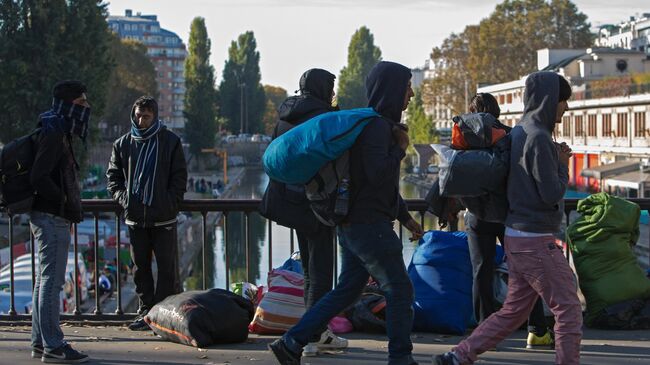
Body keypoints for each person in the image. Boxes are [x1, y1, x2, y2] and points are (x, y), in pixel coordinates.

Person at [269, 61, 424, 365]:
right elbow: (377, 176)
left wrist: (404, 216)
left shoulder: (376, 125)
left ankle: (292, 341)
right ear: (392, 89)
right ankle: (401, 359)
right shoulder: (378, 129)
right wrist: (400, 149)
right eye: (407, 87)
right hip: (370, 226)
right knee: (401, 291)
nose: (412, 95)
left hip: (354, 224)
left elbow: (381, 186)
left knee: (347, 290)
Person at [434, 72, 582, 365]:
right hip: (535, 240)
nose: (566, 107)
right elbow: (550, 193)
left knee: (513, 310)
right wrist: (564, 166)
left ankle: (458, 355)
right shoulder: (538, 137)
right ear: (550, 100)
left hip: (516, 235)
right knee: (568, 308)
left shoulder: (520, 131)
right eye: (563, 100)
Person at [465, 93, 552, 349]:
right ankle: (537, 329)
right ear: (498, 110)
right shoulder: (511, 135)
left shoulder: (467, 137)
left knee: (481, 271)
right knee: (524, 272)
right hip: (508, 213)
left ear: (471, 111)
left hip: (477, 214)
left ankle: (485, 330)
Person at [273, 68, 349, 356]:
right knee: (321, 273)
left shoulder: (284, 117)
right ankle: (313, 336)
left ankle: (312, 332)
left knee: (308, 269)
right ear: (321, 89)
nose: (332, 94)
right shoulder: (321, 118)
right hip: (319, 201)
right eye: (331, 88)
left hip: (293, 202)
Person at [106, 96, 187, 331]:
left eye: (146, 116)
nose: (141, 121)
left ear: (155, 117)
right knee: (140, 268)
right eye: (138, 115)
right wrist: (125, 200)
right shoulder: (123, 144)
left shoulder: (170, 141)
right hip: (135, 218)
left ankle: (164, 313)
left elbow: (179, 176)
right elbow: (113, 177)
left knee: (166, 268)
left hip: (163, 217)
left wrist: (170, 202)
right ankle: (145, 313)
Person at [30, 80, 90, 363]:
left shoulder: (53, 126)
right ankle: (54, 344)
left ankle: (40, 342)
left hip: (47, 214)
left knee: (44, 281)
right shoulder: (54, 132)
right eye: (81, 103)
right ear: (68, 105)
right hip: (51, 216)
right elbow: (39, 176)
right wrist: (63, 202)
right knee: (52, 283)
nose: (86, 109)